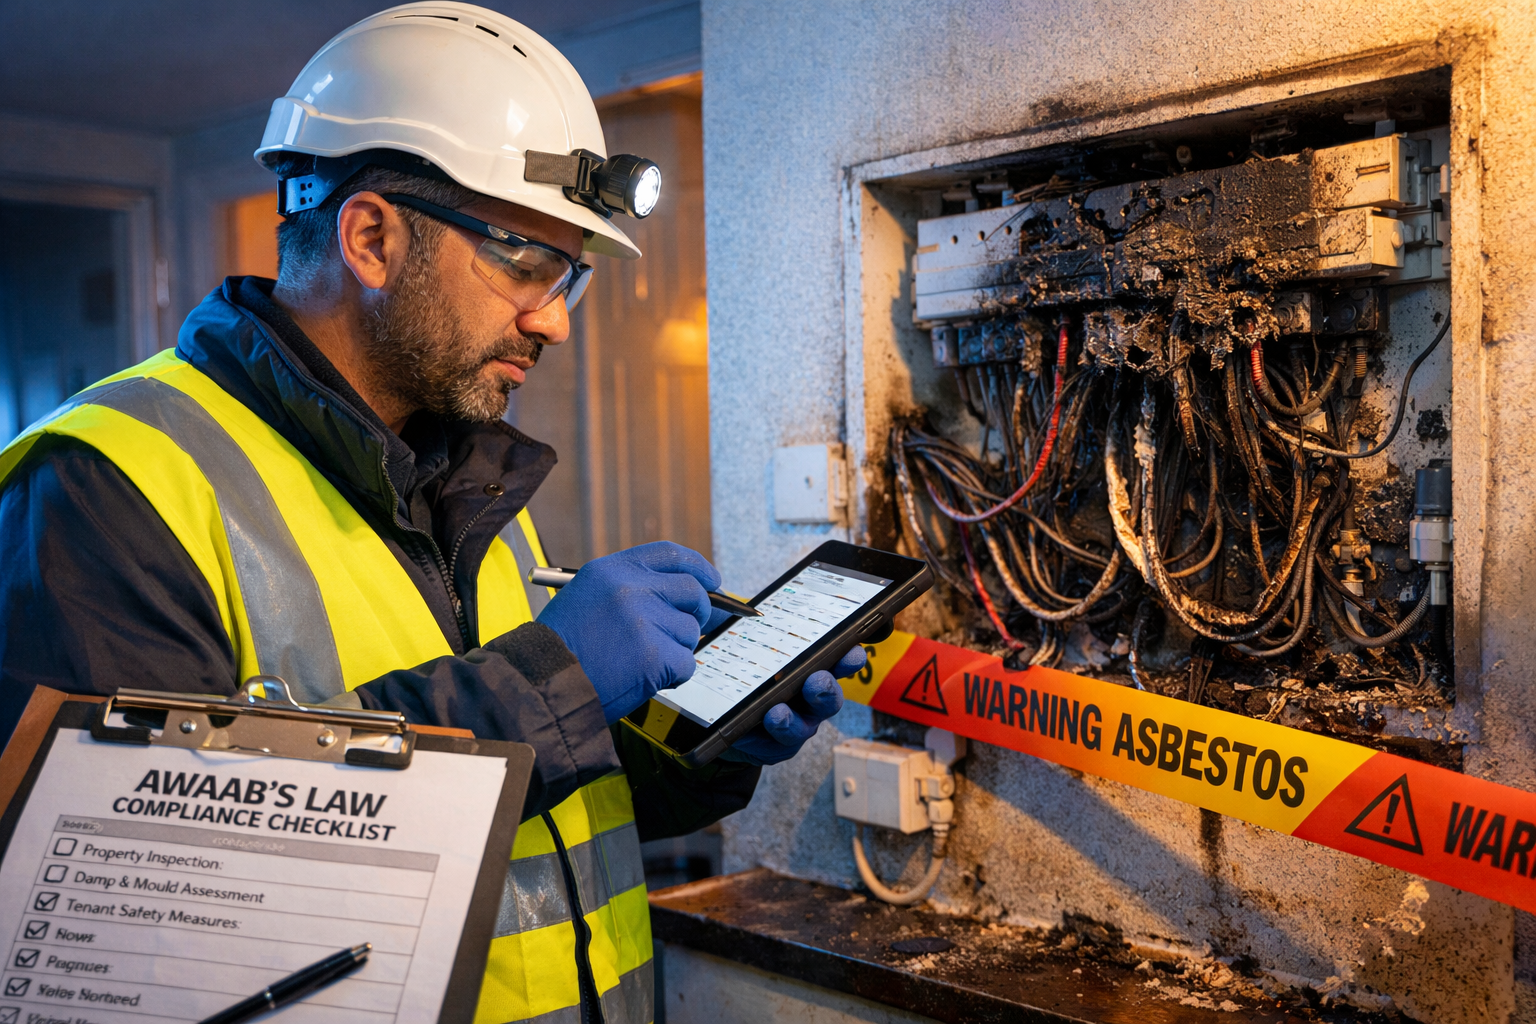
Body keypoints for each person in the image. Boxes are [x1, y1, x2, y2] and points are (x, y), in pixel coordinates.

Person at [0, 5, 862, 1022]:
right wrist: (556, 678)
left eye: (570, 275)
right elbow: (149, 912)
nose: (554, 320)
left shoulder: (462, 471)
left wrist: (693, 747)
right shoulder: (110, 484)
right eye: (527, 264)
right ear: (370, 235)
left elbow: (534, 808)